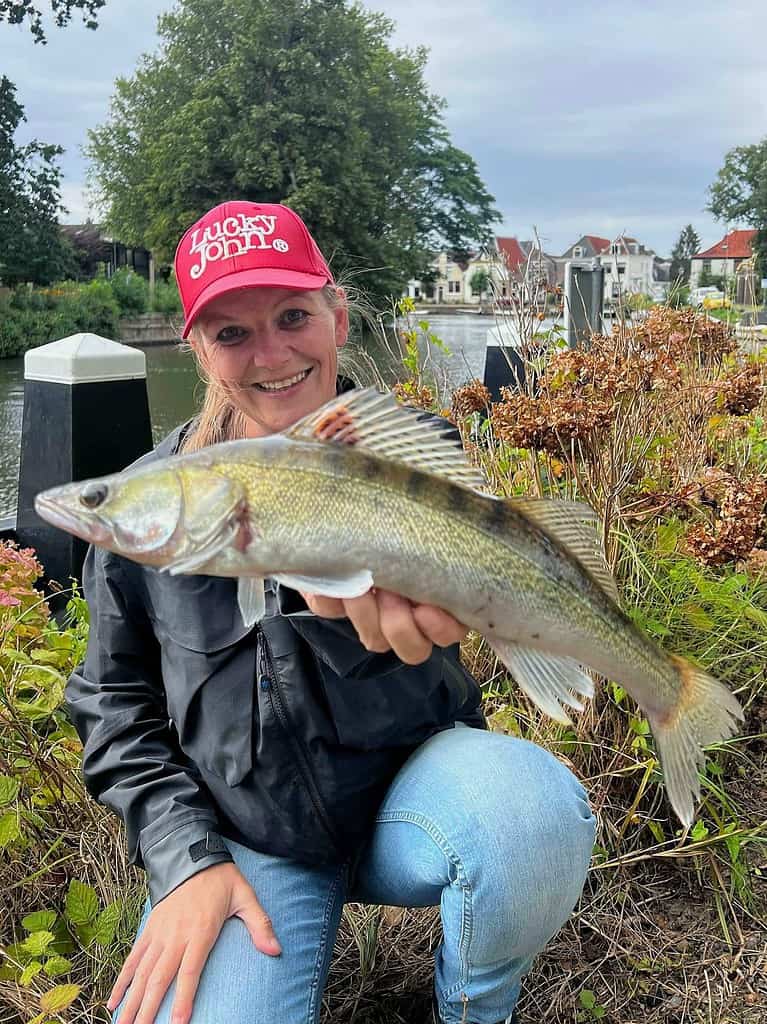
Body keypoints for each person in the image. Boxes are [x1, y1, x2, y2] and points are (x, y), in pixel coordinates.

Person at [65, 200, 595, 1024]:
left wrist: (438, 619)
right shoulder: (144, 510)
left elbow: (493, 579)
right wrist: (187, 860)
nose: (271, 354)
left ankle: (475, 1010)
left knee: (525, 815)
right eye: (232, 333)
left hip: (408, 801)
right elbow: (113, 707)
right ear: (195, 345)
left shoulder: (408, 453)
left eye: (292, 316)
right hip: (247, 836)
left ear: (337, 315)